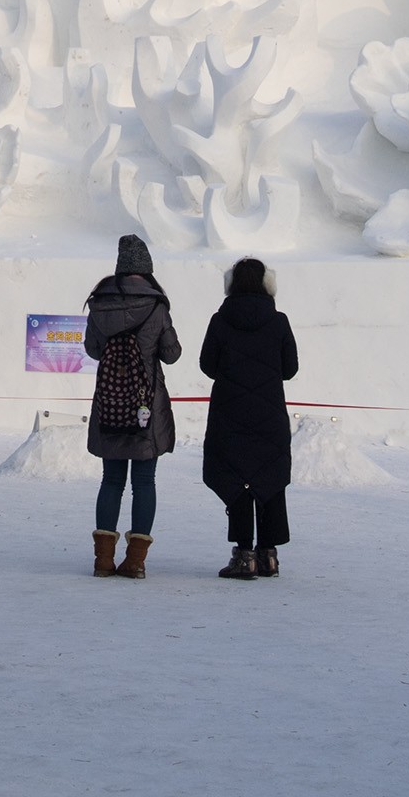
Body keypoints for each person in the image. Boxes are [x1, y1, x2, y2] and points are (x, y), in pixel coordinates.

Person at [84, 234, 180, 578]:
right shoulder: (156, 306)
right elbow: (172, 354)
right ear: (147, 270)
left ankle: (103, 560)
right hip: (144, 406)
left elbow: (93, 350)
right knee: (144, 482)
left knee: (111, 480)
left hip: (110, 402)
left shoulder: (99, 304)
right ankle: (135, 561)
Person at [198, 257, 297, 580]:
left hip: (230, 412)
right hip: (270, 413)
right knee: (269, 477)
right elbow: (290, 369)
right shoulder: (279, 321)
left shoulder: (220, 320)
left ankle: (244, 556)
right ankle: (269, 555)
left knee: (237, 477)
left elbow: (207, 366)